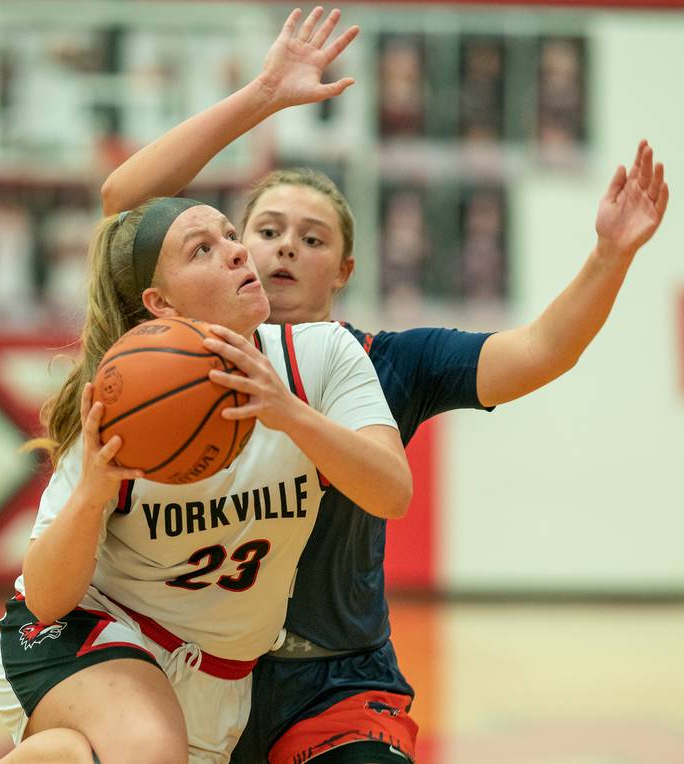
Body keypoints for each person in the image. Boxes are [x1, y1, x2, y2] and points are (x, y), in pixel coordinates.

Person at [100, 6, 670, 764]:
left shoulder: (380, 361)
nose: (283, 251)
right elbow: (124, 206)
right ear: (232, 245)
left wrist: (609, 256)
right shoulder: (167, 358)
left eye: (313, 239)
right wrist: (263, 96)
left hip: (335, 677)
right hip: (195, 665)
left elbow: (540, 351)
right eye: (265, 230)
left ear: (344, 273)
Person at [0, 198, 413, 760]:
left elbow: (392, 492)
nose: (239, 251)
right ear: (161, 303)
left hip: (219, 675)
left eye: (232, 235)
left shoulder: (322, 356)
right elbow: (45, 598)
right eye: (203, 250)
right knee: (149, 748)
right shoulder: (130, 395)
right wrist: (93, 491)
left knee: (76, 754)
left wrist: (286, 410)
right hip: (91, 632)